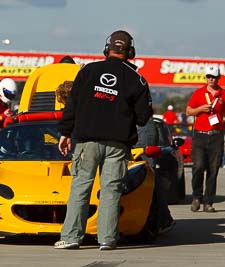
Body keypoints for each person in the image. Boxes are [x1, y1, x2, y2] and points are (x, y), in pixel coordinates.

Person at [55, 30, 152, 250]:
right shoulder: (137, 80)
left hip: (86, 143)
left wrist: (64, 133)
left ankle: (71, 238)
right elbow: (144, 117)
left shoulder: (88, 71)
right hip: (117, 145)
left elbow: (72, 106)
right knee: (111, 190)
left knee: (80, 187)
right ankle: (107, 238)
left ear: (107, 48)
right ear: (131, 52)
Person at [186, 65, 225, 212]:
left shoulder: (224, 94)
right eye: (208, 76)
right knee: (198, 166)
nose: (210, 79)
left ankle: (208, 202)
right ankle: (196, 197)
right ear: (205, 77)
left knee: (213, 170)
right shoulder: (198, 93)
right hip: (200, 135)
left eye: (213, 76)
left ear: (218, 78)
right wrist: (200, 109)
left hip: (216, 136)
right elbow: (188, 111)